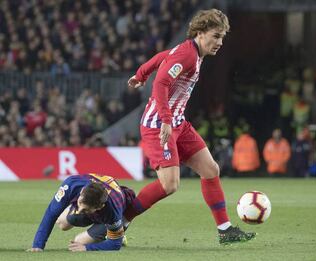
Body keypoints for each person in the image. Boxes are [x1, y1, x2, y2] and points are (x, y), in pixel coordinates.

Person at [125, 8, 256, 244]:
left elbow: (162, 56)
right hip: (159, 125)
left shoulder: (190, 52)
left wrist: (141, 73)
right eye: (216, 36)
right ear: (200, 32)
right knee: (170, 184)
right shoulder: (187, 55)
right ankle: (121, 220)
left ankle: (225, 230)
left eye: (223, 37)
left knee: (210, 170)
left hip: (178, 123)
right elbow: (161, 83)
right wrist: (165, 119)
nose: (220, 42)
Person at [27, 173, 135, 252]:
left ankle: (115, 231)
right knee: (62, 223)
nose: (78, 211)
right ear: (82, 192)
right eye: (79, 203)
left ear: (100, 206)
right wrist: (38, 245)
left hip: (110, 216)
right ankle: (108, 230)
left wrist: (87, 248)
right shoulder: (71, 184)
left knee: (79, 242)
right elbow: (51, 213)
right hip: (96, 209)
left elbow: (115, 244)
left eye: (85, 209)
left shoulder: (112, 210)